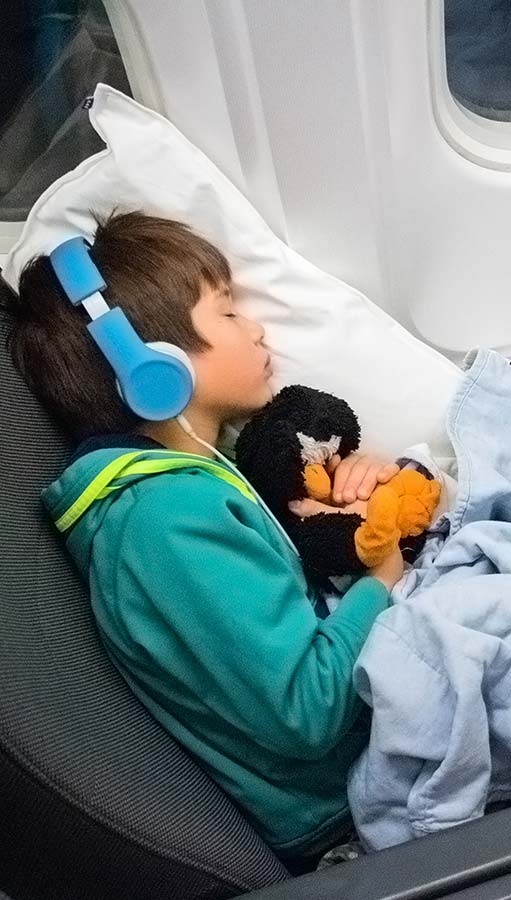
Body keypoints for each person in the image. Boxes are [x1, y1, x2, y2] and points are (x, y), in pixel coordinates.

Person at [2, 210, 402, 866]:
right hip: (347, 798)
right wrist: (383, 577)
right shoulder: (164, 522)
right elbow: (307, 707)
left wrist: (357, 487)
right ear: (150, 368)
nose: (257, 328)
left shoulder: (199, 469)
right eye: (228, 313)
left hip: (367, 734)